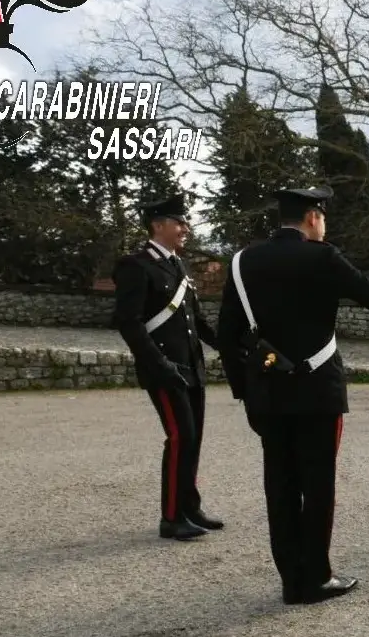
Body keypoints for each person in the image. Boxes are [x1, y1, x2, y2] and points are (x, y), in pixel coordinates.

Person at [215, 185, 369, 606]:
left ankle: (289, 580)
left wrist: (246, 389)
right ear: (313, 218)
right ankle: (315, 576)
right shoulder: (324, 257)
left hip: (267, 395)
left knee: (279, 486)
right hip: (317, 392)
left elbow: (228, 335)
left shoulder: (243, 262)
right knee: (318, 486)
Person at [111, 194, 222, 541]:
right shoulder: (136, 265)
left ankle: (190, 506)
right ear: (158, 225)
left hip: (191, 366)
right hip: (164, 369)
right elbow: (128, 322)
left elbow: (197, 321)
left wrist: (231, 348)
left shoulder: (178, 266)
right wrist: (157, 364)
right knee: (180, 437)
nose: (185, 228)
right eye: (179, 222)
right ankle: (171, 518)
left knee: (194, 439)